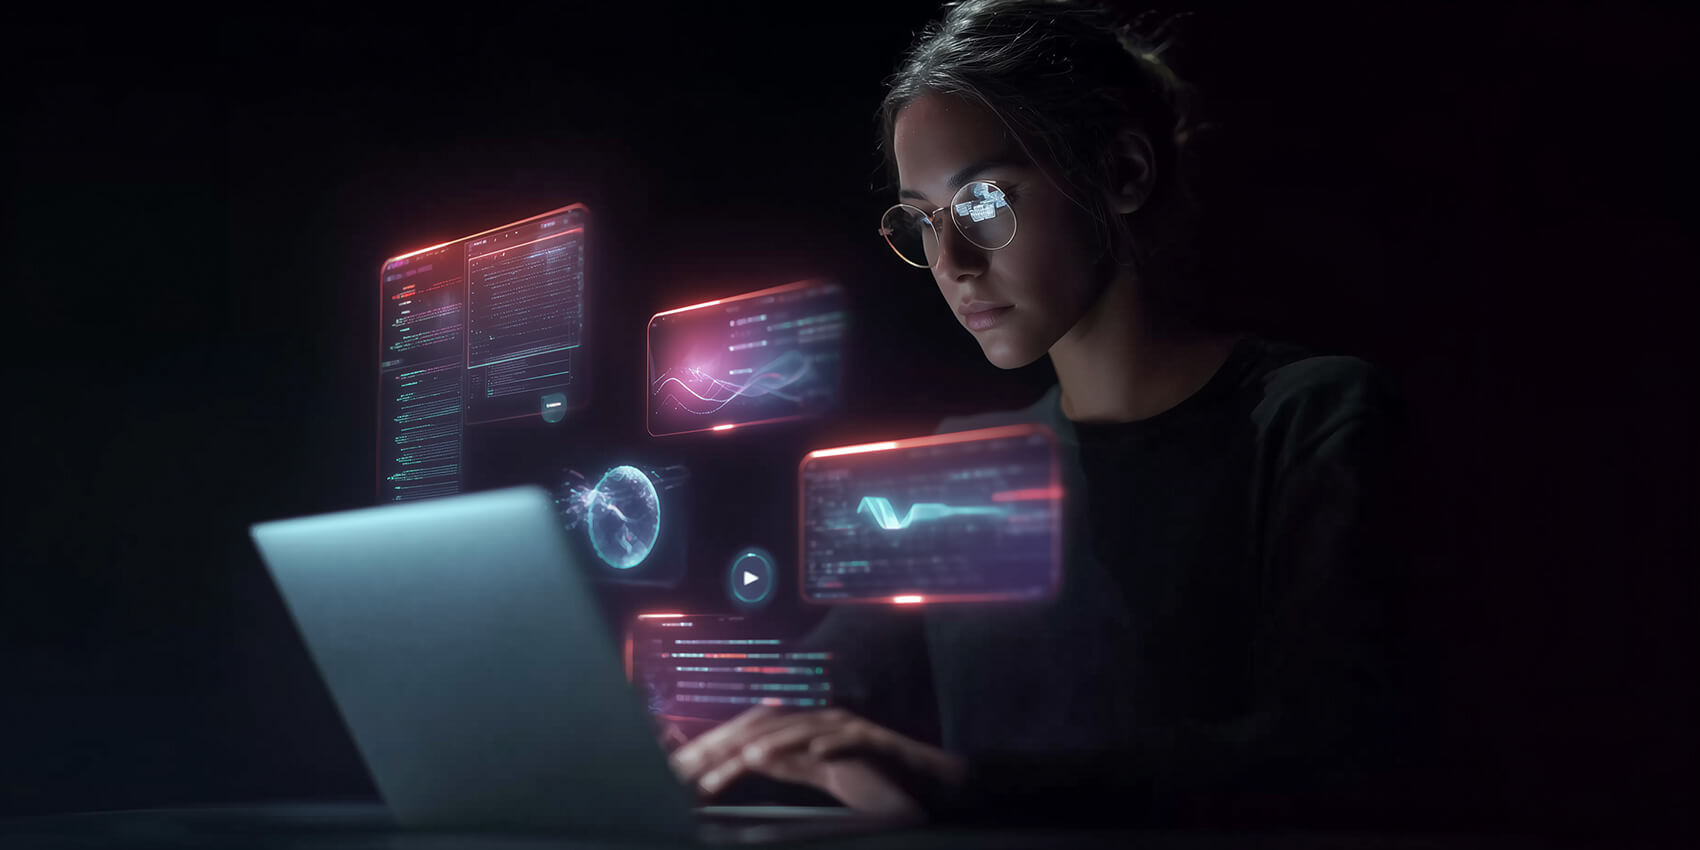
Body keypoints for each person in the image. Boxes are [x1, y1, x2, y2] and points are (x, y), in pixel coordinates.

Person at [669, 0, 1411, 828]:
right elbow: (801, 700)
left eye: (985, 202)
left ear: (1124, 174)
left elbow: (1330, 755)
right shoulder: (963, 469)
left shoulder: (1309, 420)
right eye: (923, 220)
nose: (950, 263)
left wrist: (963, 789)